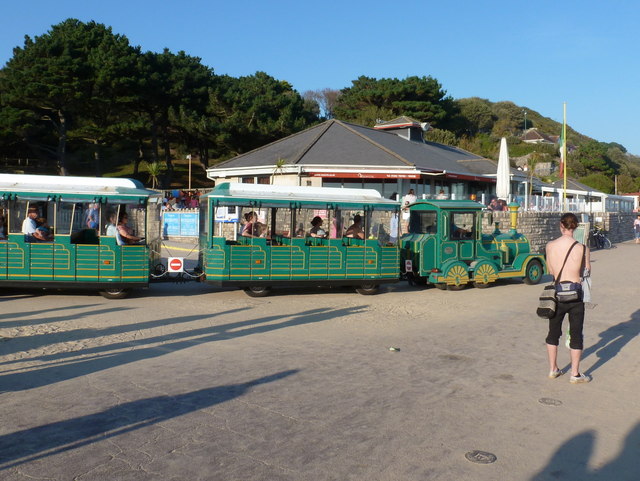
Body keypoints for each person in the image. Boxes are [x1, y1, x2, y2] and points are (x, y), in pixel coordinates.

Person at [544, 213, 591, 384]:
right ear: (576, 227)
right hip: (575, 296)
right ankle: (575, 374)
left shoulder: (550, 246)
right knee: (576, 334)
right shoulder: (582, 248)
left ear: (561, 225)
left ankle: (553, 369)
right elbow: (586, 271)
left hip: (557, 295)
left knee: (553, 333)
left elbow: (550, 270)